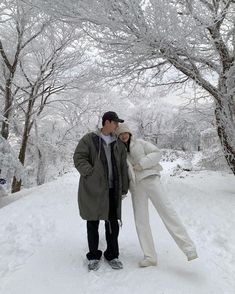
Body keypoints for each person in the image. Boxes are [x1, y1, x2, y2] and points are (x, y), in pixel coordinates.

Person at [116, 123, 198, 267]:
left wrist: (142, 164)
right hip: (136, 186)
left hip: (150, 179)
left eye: (125, 133)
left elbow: (157, 153)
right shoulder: (119, 151)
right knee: (141, 221)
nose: (123, 136)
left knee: (167, 212)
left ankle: (189, 249)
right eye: (120, 134)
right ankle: (150, 257)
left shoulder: (140, 143)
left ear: (129, 133)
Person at [73, 111, 129, 271]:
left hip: (112, 189)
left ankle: (112, 254)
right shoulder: (89, 139)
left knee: (112, 223)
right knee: (92, 221)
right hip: (93, 188)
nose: (117, 126)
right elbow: (79, 157)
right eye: (116, 123)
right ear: (107, 122)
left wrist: (124, 187)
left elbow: (123, 166)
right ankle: (93, 255)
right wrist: (90, 173)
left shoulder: (118, 143)